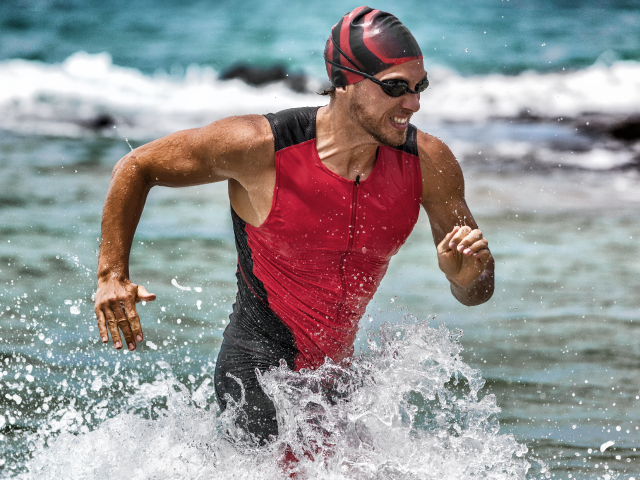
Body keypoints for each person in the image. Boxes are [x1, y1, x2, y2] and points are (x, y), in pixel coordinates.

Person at [94, 6, 494, 446]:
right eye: (395, 87)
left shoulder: (429, 163)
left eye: (419, 87)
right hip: (258, 374)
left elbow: (477, 292)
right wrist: (111, 275)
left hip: (338, 384)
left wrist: (466, 278)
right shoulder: (260, 147)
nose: (413, 103)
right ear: (344, 82)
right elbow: (137, 166)